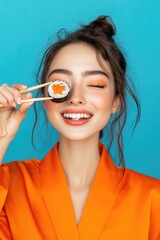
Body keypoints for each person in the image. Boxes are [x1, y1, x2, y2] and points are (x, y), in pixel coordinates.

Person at [0, 15, 160, 240]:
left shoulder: (154, 200)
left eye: (95, 84)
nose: (75, 98)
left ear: (116, 101)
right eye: (60, 85)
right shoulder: (8, 185)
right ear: (45, 98)